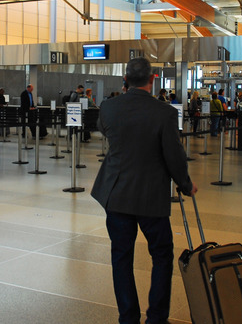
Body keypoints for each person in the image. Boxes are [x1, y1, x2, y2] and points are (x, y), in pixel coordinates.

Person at [91, 57, 196, 324]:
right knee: (161, 255)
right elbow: (174, 156)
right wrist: (185, 184)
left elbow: (105, 131)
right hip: (151, 197)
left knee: (121, 256)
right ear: (153, 80)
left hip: (116, 194)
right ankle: (156, 318)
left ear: (124, 80)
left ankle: (128, 317)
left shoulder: (109, 107)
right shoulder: (165, 112)